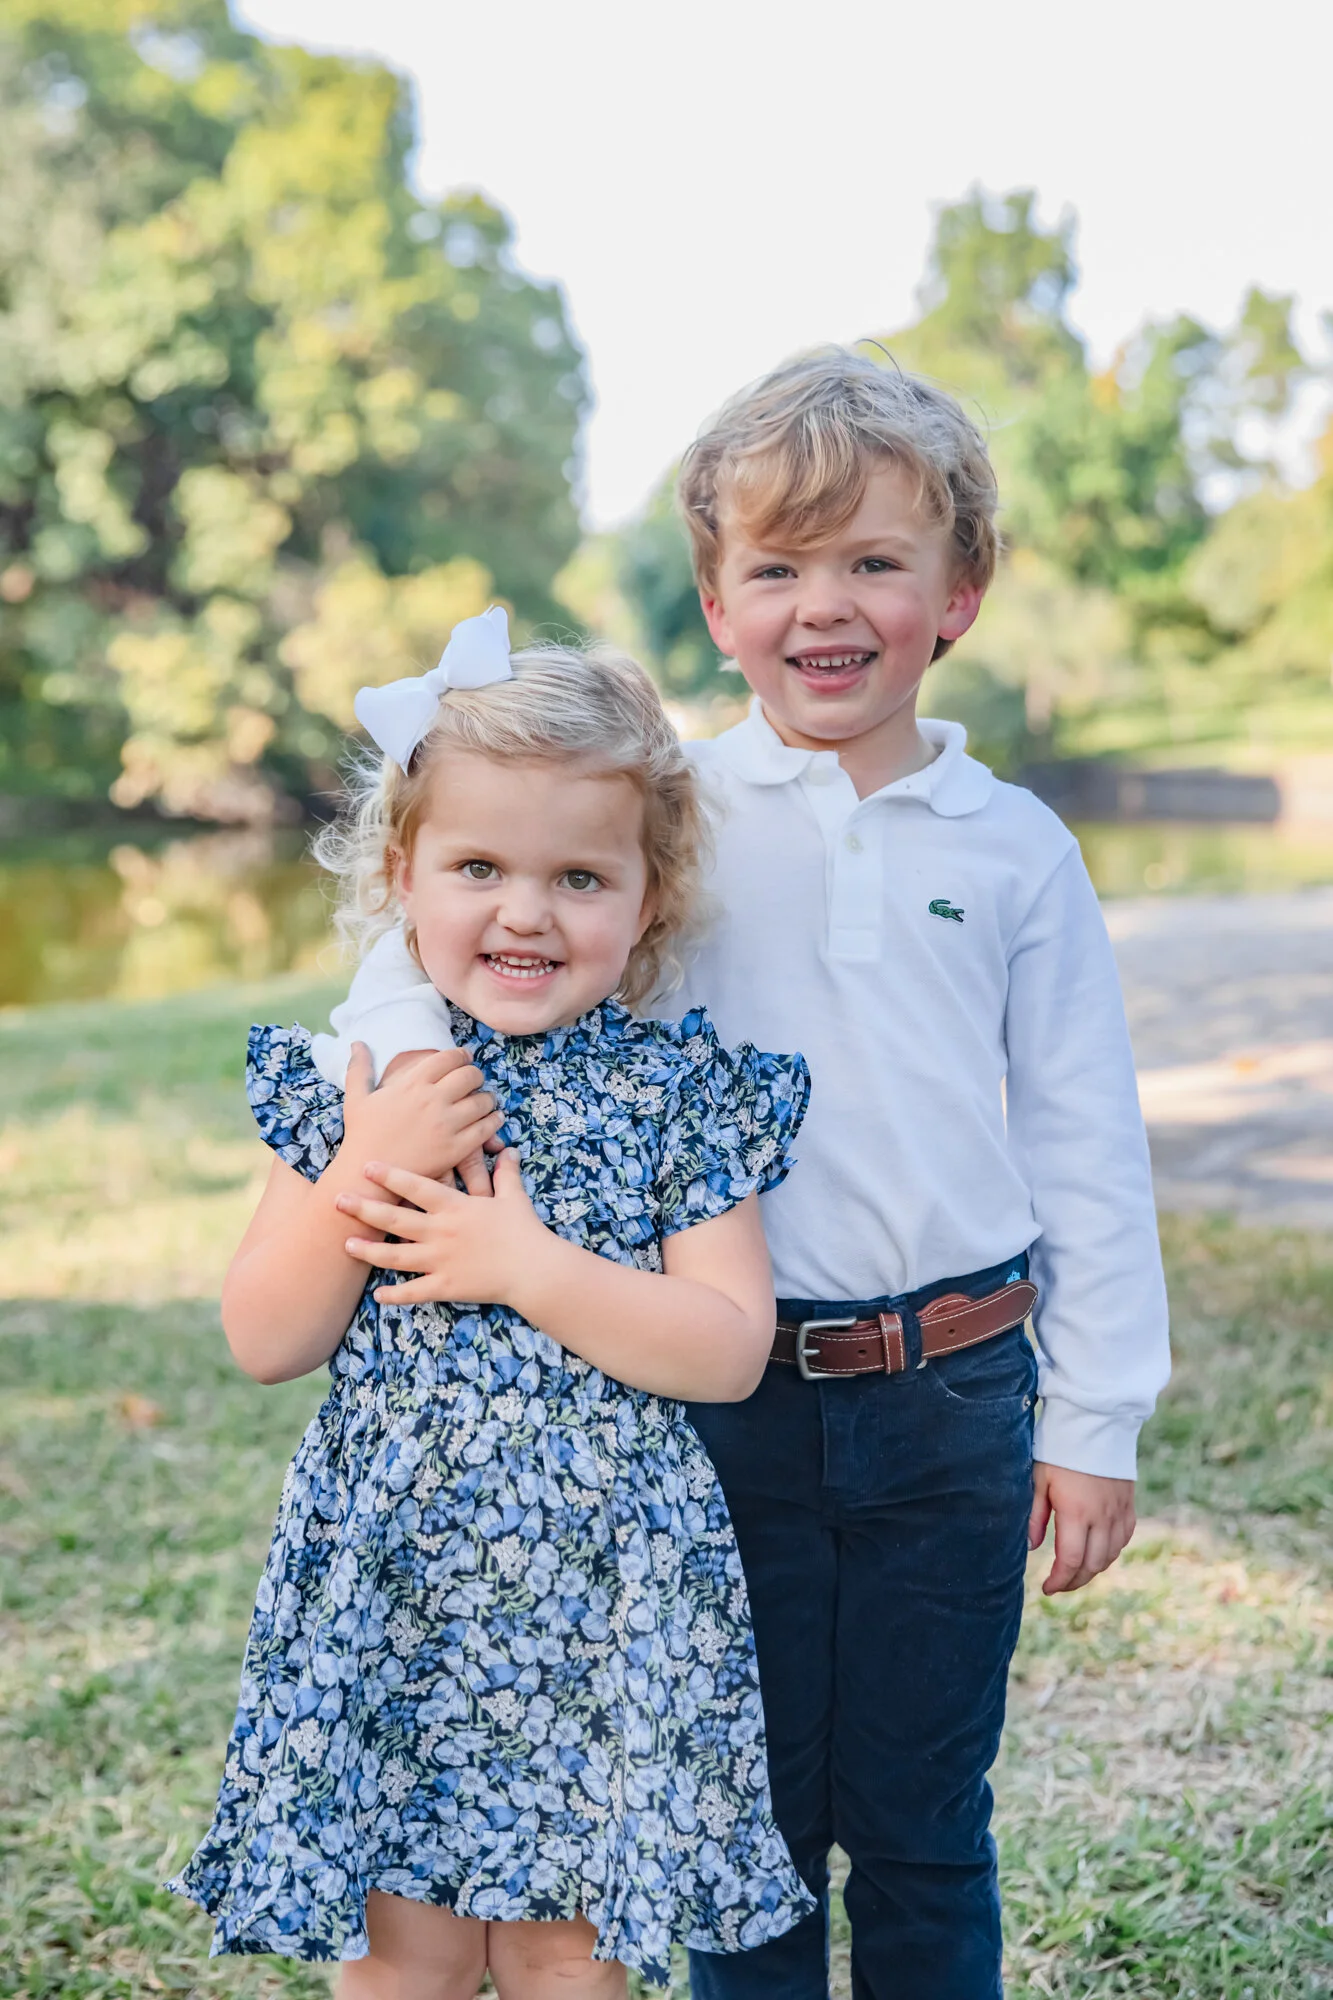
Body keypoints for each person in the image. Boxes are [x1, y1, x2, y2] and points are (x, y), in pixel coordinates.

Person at [316, 350, 1172, 1999]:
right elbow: (459, 933)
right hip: (719, 1400)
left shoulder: (1016, 851)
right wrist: (389, 1073)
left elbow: (1083, 1134)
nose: (822, 605)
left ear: (959, 593)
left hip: (955, 1392)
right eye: (775, 568)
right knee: (736, 1826)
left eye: (873, 561)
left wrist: (1094, 1418)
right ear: (717, 607)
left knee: (928, 1820)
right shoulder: (673, 817)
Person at [167, 609, 818, 1999]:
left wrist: (527, 1265)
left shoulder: (676, 1094)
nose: (526, 911)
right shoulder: (362, 1083)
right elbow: (265, 1337)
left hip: (599, 1602)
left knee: (567, 1970)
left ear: (649, 898)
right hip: (401, 1588)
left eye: (580, 876)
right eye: (478, 867)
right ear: (403, 874)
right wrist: (368, 1164)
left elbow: (726, 1347)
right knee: (403, 1967)